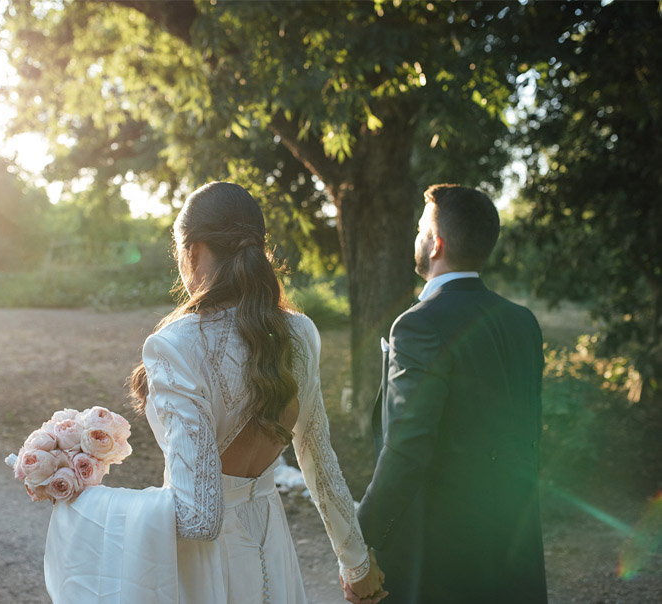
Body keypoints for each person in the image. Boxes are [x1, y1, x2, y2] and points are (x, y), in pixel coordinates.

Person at [43, 182, 386, 603]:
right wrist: (356, 565)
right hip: (271, 548)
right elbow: (319, 460)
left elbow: (199, 517)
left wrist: (86, 500)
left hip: (206, 572)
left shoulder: (175, 344)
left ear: (193, 250)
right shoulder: (301, 333)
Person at [353, 184, 547, 604]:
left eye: (422, 228)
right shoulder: (521, 322)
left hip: (442, 559)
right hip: (513, 541)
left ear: (436, 244)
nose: (417, 236)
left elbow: (406, 448)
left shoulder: (419, 325)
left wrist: (362, 538)